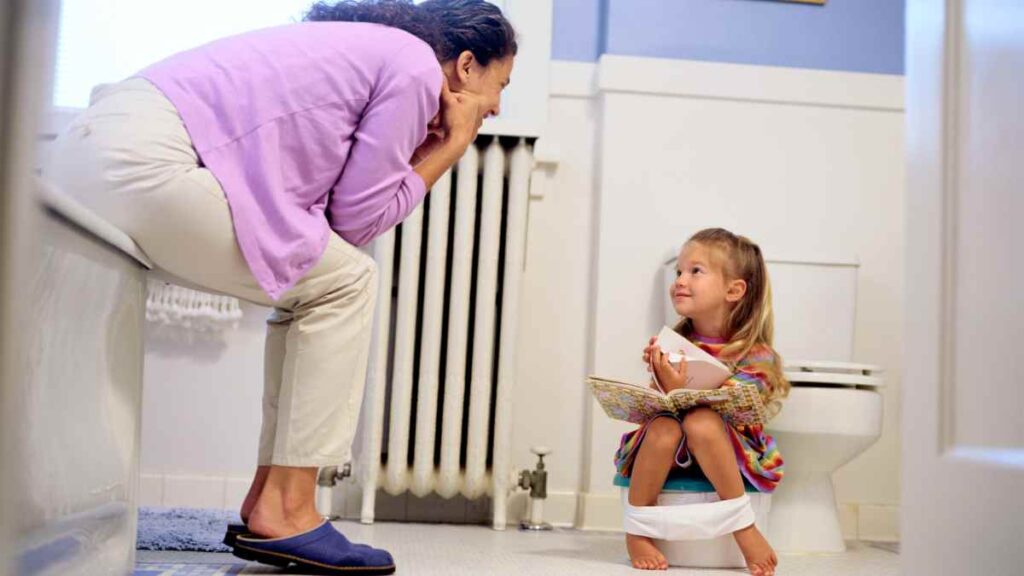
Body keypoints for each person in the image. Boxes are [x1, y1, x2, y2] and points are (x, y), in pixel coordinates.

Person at [43, 1, 516, 573]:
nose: (495, 106)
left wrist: (423, 148)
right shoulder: (415, 66)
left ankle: (269, 500)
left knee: (317, 284)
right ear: (466, 65)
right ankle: (288, 507)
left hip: (90, 156)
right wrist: (450, 147)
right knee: (347, 282)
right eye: (501, 84)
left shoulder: (371, 52)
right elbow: (357, 225)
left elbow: (340, 216)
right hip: (141, 163)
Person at [617, 228, 787, 575]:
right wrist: (665, 386)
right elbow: (661, 409)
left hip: (727, 449)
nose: (680, 279)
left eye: (696, 271)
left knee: (701, 421)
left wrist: (690, 392)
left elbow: (744, 410)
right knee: (664, 427)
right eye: (679, 271)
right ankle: (638, 530)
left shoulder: (757, 355)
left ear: (734, 290)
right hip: (672, 450)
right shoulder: (672, 343)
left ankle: (743, 525)